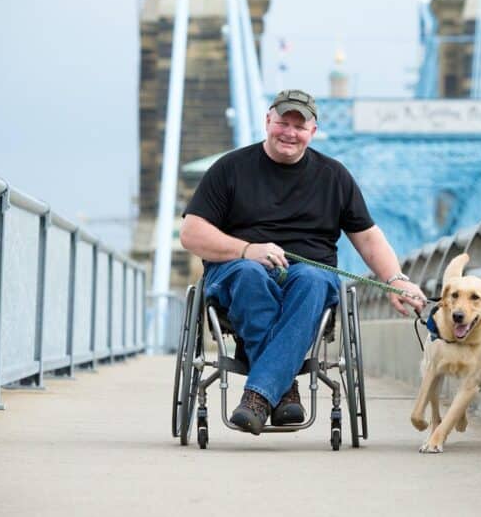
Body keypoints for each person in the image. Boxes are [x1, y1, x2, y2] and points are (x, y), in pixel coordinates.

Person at [179, 89, 425, 435]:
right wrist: (247, 249)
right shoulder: (230, 169)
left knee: (312, 279)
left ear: (313, 131)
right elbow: (191, 234)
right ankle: (282, 388)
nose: (289, 133)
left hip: (308, 276)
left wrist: (396, 279)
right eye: (282, 122)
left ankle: (258, 395)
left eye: (299, 126)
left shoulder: (334, 176)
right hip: (239, 270)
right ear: (268, 121)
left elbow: (368, 237)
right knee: (251, 274)